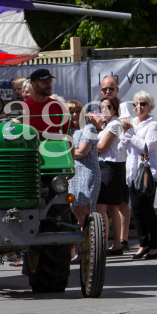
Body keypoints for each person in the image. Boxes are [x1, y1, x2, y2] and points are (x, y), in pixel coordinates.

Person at [120, 91, 157, 260]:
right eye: (135, 104)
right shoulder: (133, 125)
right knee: (137, 210)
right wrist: (125, 136)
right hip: (132, 173)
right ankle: (143, 243)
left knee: (147, 209)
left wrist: (130, 134)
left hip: (147, 174)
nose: (138, 107)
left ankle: (155, 245)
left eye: (142, 104)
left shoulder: (153, 125)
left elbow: (146, 147)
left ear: (150, 106)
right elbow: (123, 149)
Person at [92, 95, 127, 255]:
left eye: (108, 107)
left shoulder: (114, 124)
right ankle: (116, 245)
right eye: (102, 108)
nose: (104, 110)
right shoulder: (109, 124)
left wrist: (97, 128)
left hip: (110, 167)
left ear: (115, 109)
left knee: (103, 207)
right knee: (112, 207)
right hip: (108, 166)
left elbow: (101, 148)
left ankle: (106, 245)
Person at [67, 100, 100, 234]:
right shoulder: (69, 130)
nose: (74, 114)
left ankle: (92, 244)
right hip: (73, 173)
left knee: (86, 210)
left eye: (77, 111)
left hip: (87, 172)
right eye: (71, 112)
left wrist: (63, 153)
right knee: (76, 210)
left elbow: (82, 151)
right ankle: (82, 247)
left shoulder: (89, 128)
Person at [21, 69, 69, 138]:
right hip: (33, 148)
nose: (49, 85)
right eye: (44, 82)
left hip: (54, 148)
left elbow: (67, 134)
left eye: (50, 82)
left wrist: (71, 148)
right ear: (33, 84)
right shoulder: (23, 106)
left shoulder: (57, 105)